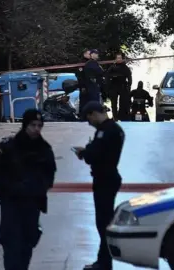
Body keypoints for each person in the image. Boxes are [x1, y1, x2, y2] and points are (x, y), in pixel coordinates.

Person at [0, 109, 57, 270]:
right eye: (33, 125)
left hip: (32, 204)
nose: (37, 129)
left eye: (40, 125)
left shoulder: (44, 149)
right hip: (11, 204)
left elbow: (50, 173)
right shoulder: (8, 146)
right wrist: (8, 189)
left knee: (27, 244)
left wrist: (39, 188)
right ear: (25, 125)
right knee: (11, 245)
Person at [72, 101, 125, 270]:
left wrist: (85, 152)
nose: (89, 123)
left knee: (103, 223)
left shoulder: (106, 131)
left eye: (89, 119)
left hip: (105, 179)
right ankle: (103, 260)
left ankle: (104, 262)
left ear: (93, 114)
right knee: (103, 222)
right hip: (107, 178)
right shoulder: (113, 129)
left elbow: (95, 155)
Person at [105, 52, 132, 121]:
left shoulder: (125, 68)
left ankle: (122, 116)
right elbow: (107, 77)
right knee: (114, 103)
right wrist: (107, 88)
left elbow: (129, 77)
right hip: (113, 87)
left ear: (122, 59)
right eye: (117, 58)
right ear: (115, 59)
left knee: (122, 102)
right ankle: (115, 117)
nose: (119, 59)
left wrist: (128, 86)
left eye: (120, 58)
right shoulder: (112, 67)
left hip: (122, 86)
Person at [76, 49, 91, 117]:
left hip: (89, 85)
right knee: (83, 101)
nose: (90, 55)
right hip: (84, 86)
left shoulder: (90, 62)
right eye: (89, 54)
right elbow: (80, 76)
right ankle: (83, 116)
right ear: (84, 54)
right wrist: (82, 86)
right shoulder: (82, 63)